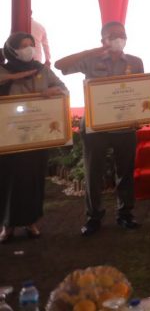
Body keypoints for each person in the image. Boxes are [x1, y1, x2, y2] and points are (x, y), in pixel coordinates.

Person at [55, 22, 143, 235]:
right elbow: (59, 65)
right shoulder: (91, 60)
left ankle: (125, 214)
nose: (118, 38)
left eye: (122, 34)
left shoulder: (135, 61)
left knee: (125, 172)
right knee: (93, 173)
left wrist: (141, 116)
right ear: (103, 39)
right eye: (113, 35)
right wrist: (90, 51)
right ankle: (93, 217)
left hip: (125, 125)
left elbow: (140, 90)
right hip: (95, 126)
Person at [0, 32, 68, 243]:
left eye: (31, 44)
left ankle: (31, 222)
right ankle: (7, 225)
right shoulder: (3, 70)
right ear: (12, 50)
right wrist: (14, 77)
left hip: (37, 137)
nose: (28, 49)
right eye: (22, 46)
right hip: (9, 137)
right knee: (8, 180)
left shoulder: (42, 70)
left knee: (33, 180)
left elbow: (64, 90)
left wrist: (54, 90)